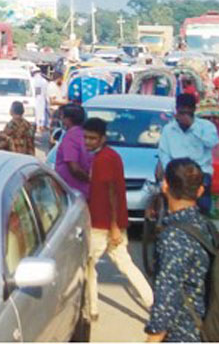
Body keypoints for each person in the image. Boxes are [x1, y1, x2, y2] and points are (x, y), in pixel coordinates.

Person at [83, 118, 153, 321]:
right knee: (126, 264)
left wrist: (113, 226)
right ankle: (153, 304)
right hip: (110, 223)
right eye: (86, 138)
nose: (88, 142)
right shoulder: (110, 156)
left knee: (89, 266)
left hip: (102, 224)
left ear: (102, 138)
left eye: (92, 138)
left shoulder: (103, 159)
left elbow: (112, 192)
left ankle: (92, 309)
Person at [145, 158, 214, 342]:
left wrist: (153, 337)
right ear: (200, 191)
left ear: (165, 185)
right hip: (205, 327)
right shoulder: (204, 226)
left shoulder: (174, 236)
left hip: (181, 333)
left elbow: (167, 293)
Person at [157, 94, 219, 214]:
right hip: (176, 172)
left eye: (188, 112)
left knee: (202, 205)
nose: (184, 116)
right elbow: (164, 153)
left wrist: (192, 127)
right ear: (177, 110)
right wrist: (170, 171)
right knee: (169, 204)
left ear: (194, 110)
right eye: (182, 112)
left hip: (200, 172)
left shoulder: (206, 127)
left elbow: (212, 143)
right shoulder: (168, 129)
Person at [55, 104, 93, 198]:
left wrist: (89, 180)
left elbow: (74, 168)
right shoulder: (83, 134)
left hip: (73, 190)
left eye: (62, 117)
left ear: (68, 119)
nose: (61, 120)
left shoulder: (71, 137)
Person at [32, 68, 50, 133]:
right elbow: (47, 92)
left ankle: (38, 126)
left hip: (34, 99)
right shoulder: (44, 81)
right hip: (42, 99)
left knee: (36, 112)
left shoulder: (32, 80)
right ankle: (41, 125)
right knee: (42, 112)